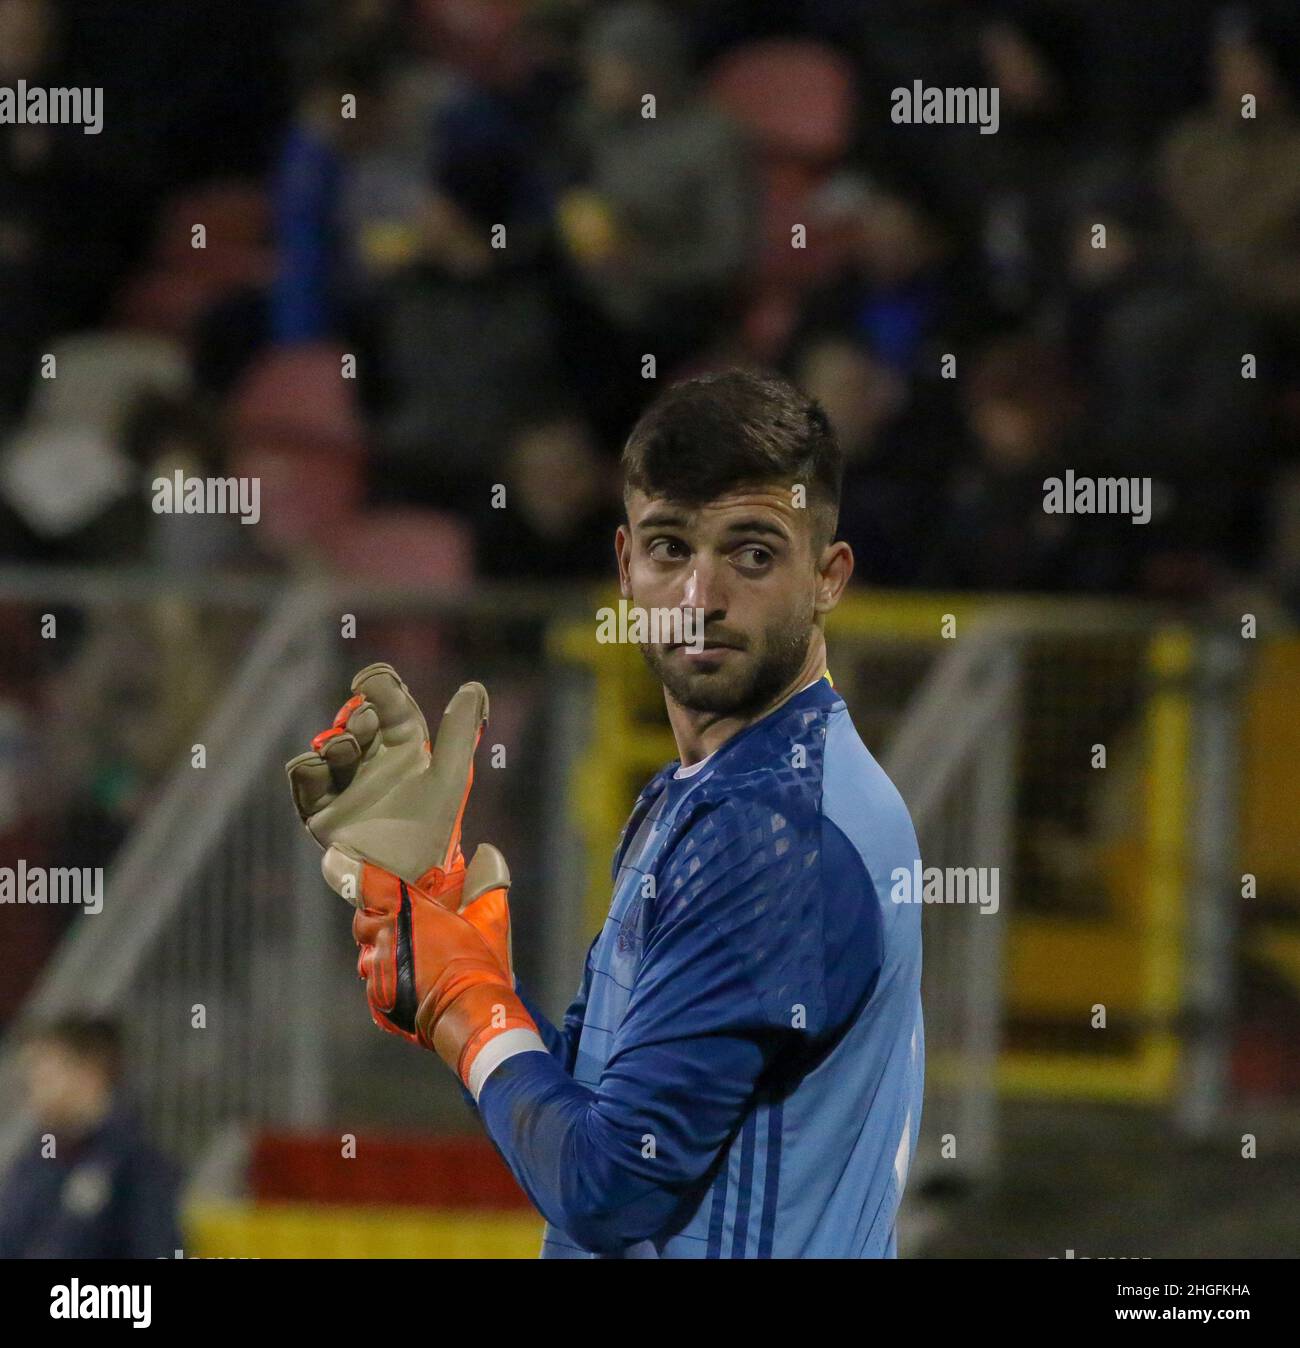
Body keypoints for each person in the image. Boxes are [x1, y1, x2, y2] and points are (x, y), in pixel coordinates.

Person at [291, 369, 925, 1257]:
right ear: (627, 567)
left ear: (828, 576)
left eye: (752, 553)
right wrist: (450, 957)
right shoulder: (709, 792)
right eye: (672, 549)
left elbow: (612, 1184)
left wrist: (469, 1004)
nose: (701, 598)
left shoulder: (775, 829)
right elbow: (605, 1111)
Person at [0, 1016, 182, 1258]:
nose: (32, 1088)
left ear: (89, 1073)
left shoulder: (138, 1165)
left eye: (44, 1075)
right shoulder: (33, 1162)